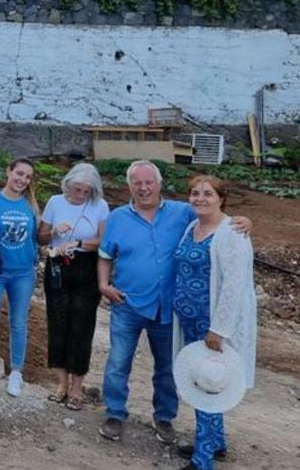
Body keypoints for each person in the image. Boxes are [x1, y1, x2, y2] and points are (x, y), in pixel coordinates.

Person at [97, 160, 251, 444]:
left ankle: (164, 417)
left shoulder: (183, 212)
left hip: (168, 309)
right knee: (118, 362)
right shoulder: (117, 217)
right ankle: (115, 413)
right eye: (137, 183)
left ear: (159, 184)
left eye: (148, 182)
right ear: (129, 186)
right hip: (127, 304)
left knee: (167, 367)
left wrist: (243, 221)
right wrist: (104, 285)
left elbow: (215, 217)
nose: (143, 188)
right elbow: (106, 255)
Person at [172, 176, 256, 470]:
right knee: (201, 377)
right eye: (195, 193)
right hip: (190, 320)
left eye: (208, 194)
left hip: (211, 325)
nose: (200, 198)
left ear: (222, 198)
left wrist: (219, 329)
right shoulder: (191, 227)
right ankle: (216, 442)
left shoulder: (232, 231)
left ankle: (203, 458)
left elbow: (235, 284)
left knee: (207, 383)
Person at [38, 162, 109, 411]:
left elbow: (104, 240)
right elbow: (42, 237)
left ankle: (78, 385)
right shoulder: (56, 202)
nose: (81, 195)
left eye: (86, 191)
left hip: (86, 265)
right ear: (68, 184)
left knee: (82, 325)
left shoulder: (99, 206)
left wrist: (79, 241)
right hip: (58, 263)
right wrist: (56, 231)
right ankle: (61, 384)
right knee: (57, 323)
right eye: (77, 189)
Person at [0, 157, 41, 397]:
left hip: (23, 274)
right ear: (8, 172)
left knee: (18, 322)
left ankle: (16, 371)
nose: (22, 180)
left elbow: (37, 238)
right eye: (19, 173)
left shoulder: (30, 205)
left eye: (27, 177)